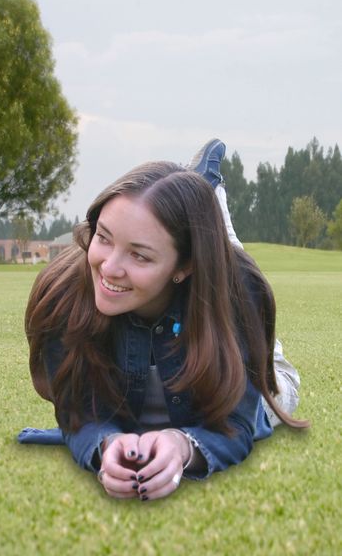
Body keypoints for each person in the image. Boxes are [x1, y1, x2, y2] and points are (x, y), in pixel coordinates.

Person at [21, 139, 308, 501]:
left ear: (182, 267)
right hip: (195, 269)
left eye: (139, 256)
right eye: (103, 237)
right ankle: (201, 199)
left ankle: (213, 208)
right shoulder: (61, 296)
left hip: (217, 308)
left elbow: (238, 422)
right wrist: (105, 444)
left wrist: (184, 445)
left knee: (282, 392)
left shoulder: (238, 293)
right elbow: (78, 412)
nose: (109, 268)